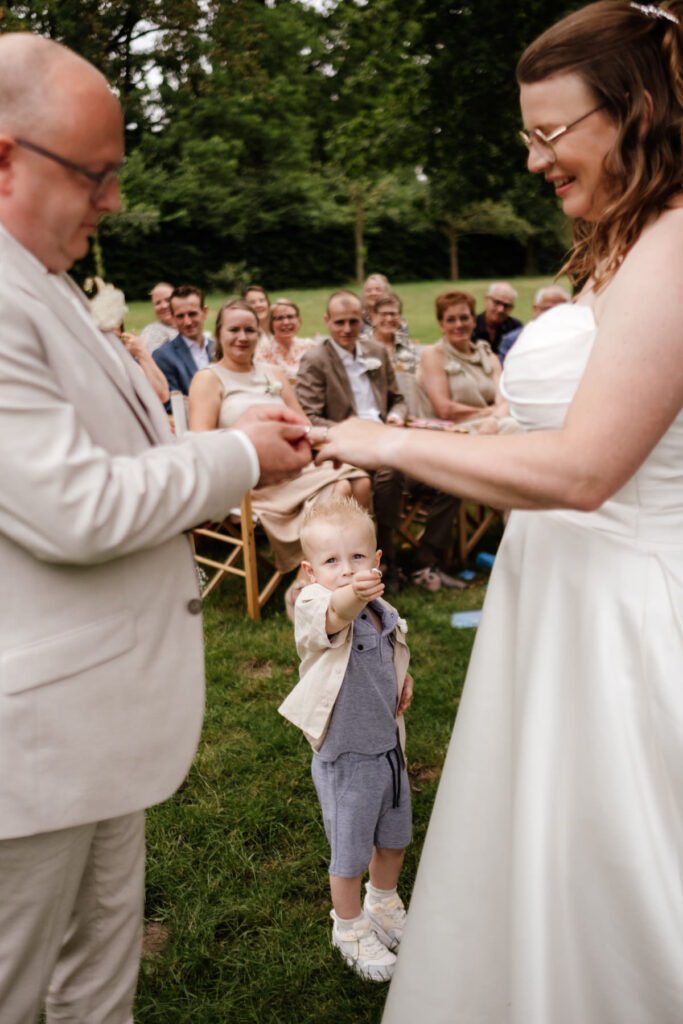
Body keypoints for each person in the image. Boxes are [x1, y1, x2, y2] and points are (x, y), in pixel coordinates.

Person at [317, 2, 683, 1020]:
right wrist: (428, 437)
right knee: (549, 853)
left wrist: (384, 440)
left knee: (629, 874)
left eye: (549, 133)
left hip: (628, 606)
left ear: (635, 109)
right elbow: (552, 430)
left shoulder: (676, 240)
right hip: (560, 593)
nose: (532, 162)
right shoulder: (628, 243)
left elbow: (583, 472)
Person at [0, 34, 311, 1024]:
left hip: (91, 721)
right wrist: (237, 457)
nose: (114, 201)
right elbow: (73, 506)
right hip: (28, 744)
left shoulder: (40, 278)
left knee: (96, 985)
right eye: (95, 174)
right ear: (4, 157)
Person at [278, 497, 413, 981]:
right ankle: (349, 925)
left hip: (387, 748)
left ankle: (383, 903)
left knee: (394, 838)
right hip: (346, 755)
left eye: (358, 557)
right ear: (311, 571)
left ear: (377, 560)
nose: (346, 569)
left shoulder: (381, 608)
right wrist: (351, 591)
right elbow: (338, 610)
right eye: (332, 561)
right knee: (351, 849)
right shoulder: (317, 604)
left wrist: (404, 676)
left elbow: (393, 645)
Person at [188, 299, 370, 613]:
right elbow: (203, 445)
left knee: (362, 481)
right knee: (342, 487)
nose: (242, 337)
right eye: (234, 330)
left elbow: (304, 424)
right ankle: (315, 584)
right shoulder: (208, 378)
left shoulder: (272, 373)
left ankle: (325, 579)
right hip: (251, 480)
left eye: (250, 329)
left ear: (259, 334)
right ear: (220, 334)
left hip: (296, 471)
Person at [297, 291, 461, 593]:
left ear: (364, 320)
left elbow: (397, 400)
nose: (347, 329)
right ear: (327, 321)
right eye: (340, 322)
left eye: (354, 322)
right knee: (390, 472)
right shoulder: (316, 359)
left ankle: (424, 560)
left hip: (389, 440)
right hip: (350, 452)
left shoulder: (376, 350)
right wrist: (357, 434)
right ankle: (387, 560)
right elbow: (309, 417)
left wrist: (397, 416)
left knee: (449, 475)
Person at [415, 289, 516, 433]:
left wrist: (493, 419)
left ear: (474, 321)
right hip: (451, 428)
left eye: (464, 318)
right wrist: (487, 413)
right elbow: (444, 409)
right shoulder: (434, 354)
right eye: (451, 320)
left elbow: (504, 402)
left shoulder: (489, 357)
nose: (459, 325)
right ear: (441, 324)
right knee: (514, 428)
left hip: (491, 424)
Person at [152, 284, 213, 398]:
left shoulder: (219, 349)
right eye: (180, 316)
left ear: (204, 312)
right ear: (173, 318)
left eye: (192, 314)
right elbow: (171, 403)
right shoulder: (163, 356)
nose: (187, 322)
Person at [498, 283, 572, 364]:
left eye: (560, 310)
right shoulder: (513, 341)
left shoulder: (575, 341)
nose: (553, 315)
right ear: (535, 310)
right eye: (548, 310)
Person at [255, 297, 318, 381]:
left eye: (290, 317)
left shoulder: (310, 346)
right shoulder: (263, 352)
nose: (286, 322)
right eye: (279, 318)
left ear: (298, 320)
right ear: (271, 323)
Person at [471, 281, 522, 353]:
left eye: (506, 306)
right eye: (497, 302)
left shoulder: (515, 328)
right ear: (486, 300)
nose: (501, 309)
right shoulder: (472, 326)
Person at [140, 281, 176, 354]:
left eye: (168, 300)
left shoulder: (189, 326)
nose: (164, 306)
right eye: (158, 303)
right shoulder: (151, 332)